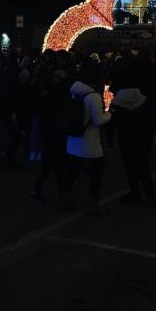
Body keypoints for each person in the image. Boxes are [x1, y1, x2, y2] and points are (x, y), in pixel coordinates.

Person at [60, 58, 111, 215]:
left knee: (72, 170)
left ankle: (65, 198)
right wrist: (109, 114)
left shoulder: (74, 92)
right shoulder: (93, 96)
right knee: (97, 171)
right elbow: (98, 120)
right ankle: (93, 202)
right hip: (91, 141)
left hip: (74, 138)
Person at [109, 61, 154, 205]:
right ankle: (150, 194)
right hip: (142, 137)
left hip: (125, 137)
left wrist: (109, 139)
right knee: (144, 166)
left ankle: (135, 193)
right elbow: (151, 120)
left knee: (130, 167)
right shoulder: (143, 100)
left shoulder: (116, 103)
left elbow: (111, 122)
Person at [30, 66, 70, 202]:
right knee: (56, 164)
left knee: (51, 165)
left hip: (50, 130)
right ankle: (61, 195)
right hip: (54, 130)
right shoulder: (56, 93)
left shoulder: (49, 91)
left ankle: (40, 189)